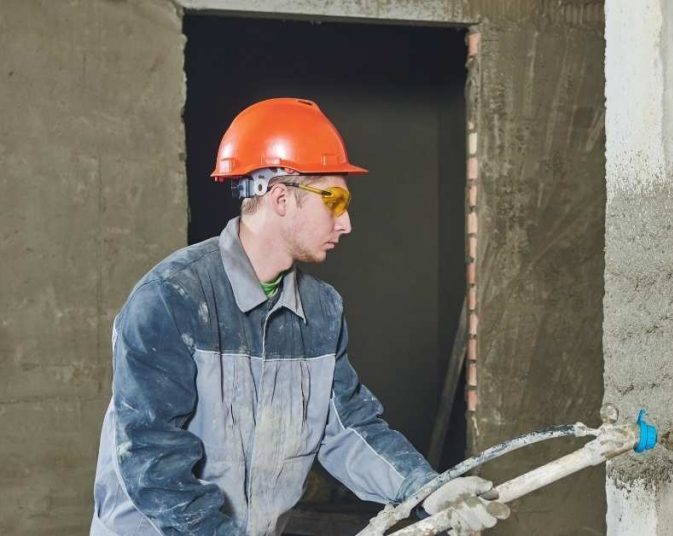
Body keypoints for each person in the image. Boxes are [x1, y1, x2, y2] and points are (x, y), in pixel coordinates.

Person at [90, 98, 504, 535]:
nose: (345, 223)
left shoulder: (321, 311)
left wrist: (427, 490)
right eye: (335, 200)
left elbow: (347, 430)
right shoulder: (173, 299)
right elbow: (152, 460)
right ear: (281, 198)